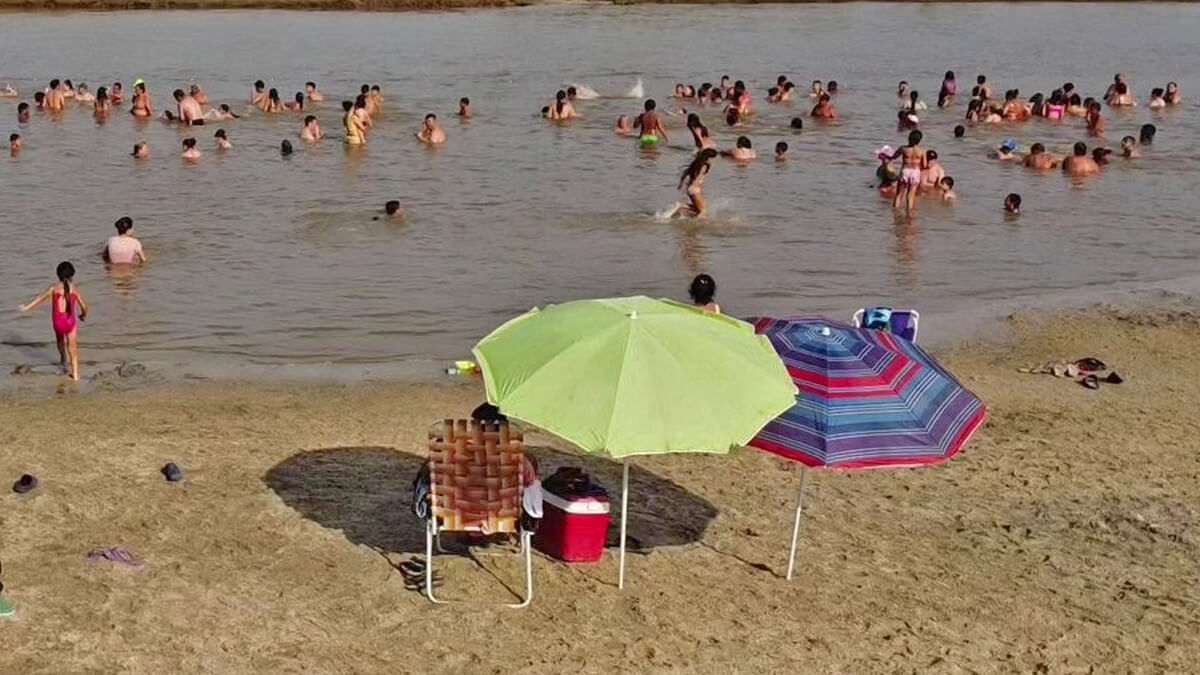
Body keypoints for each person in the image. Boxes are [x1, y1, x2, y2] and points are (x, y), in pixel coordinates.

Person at [19, 261, 89, 380]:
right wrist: (83, 315)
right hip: (70, 322)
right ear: (72, 275)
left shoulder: (54, 289)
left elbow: (39, 299)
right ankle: (76, 374)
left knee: (60, 341)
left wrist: (26, 307)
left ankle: (63, 361)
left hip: (58, 322)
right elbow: (85, 307)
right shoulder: (74, 289)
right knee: (73, 348)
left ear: (58, 275)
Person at [671, 148, 718, 218]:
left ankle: (683, 207)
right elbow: (699, 177)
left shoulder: (696, 163)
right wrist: (696, 183)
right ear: (709, 158)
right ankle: (681, 209)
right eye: (713, 158)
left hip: (692, 188)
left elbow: (686, 172)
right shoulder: (705, 166)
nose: (714, 160)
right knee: (703, 211)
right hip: (695, 189)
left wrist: (681, 183)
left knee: (699, 209)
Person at [887, 130, 926, 213]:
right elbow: (925, 165)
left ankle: (895, 213)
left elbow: (894, 157)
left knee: (899, 194)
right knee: (910, 196)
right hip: (915, 172)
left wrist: (886, 156)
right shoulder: (922, 151)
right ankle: (909, 214)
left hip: (905, 170)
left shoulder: (903, 148)